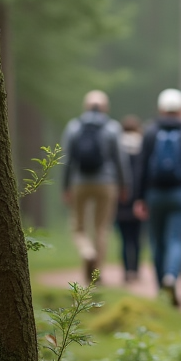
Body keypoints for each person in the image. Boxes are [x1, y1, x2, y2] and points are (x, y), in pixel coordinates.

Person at [133, 88, 181, 306]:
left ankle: (161, 290)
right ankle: (171, 276)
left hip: (154, 195)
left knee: (157, 242)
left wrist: (139, 198)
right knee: (176, 240)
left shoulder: (150, 132)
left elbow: (141, 168)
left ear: (161, 108)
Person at [61, 90, 129, 283]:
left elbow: (66, 160)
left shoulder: (74, 127)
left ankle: (87, 252)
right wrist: (124, 184)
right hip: (107, 182)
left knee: (78, 227)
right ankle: (96, 275)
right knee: (102, 229)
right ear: (105, 107)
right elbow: (120, 160)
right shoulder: (112, 128)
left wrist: (65, 187)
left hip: (79, 182)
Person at [115, 114, 144, 283]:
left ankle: (126, 270)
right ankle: (136, 269)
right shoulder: (142, 145)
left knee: (125, 238)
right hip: (138, 199)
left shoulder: (117, 146)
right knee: (137, 237)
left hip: (121, 199)